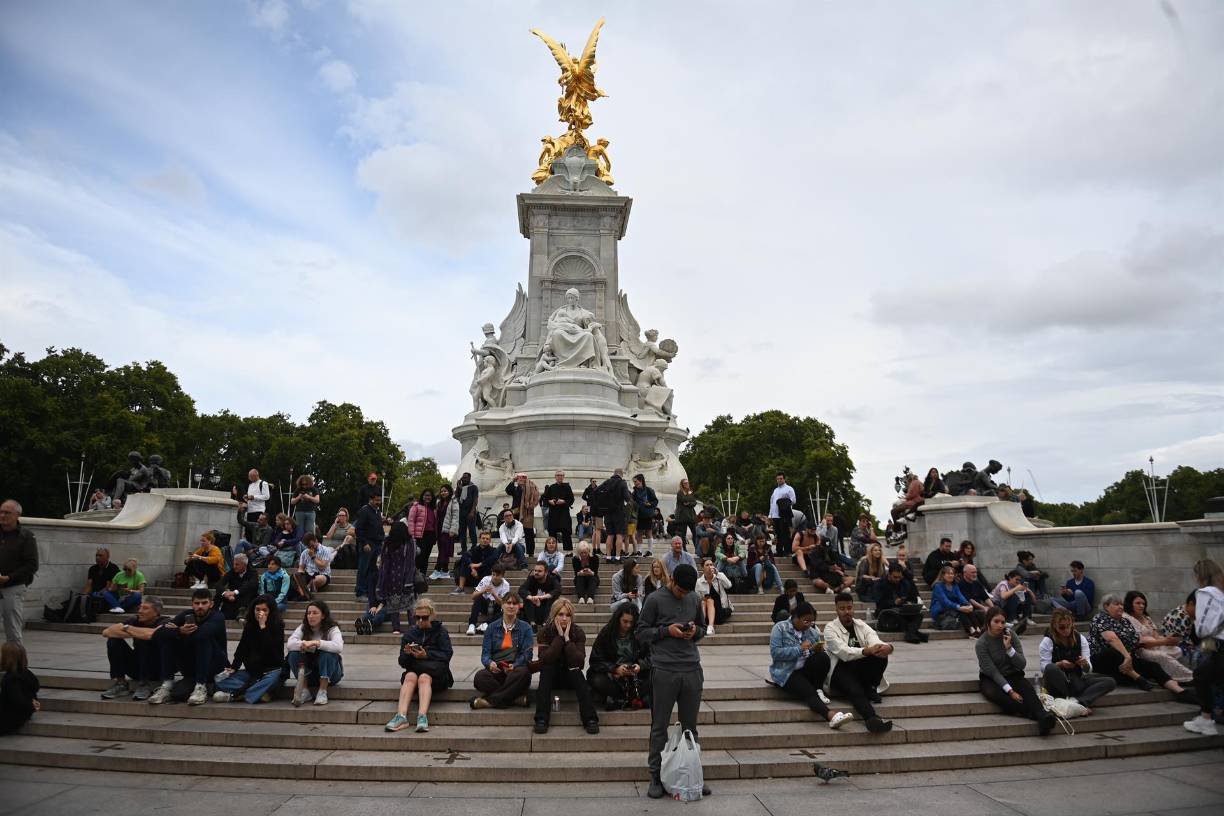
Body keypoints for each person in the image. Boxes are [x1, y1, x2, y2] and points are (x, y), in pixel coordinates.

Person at [637, 563, 709, 799]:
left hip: (691, 668)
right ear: (672, 582)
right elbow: (641, 632)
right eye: (680, 591)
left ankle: (693, 773)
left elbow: (702, 627)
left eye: (687, 592)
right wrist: (667, 631)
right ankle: (656, 775)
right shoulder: (654, 599)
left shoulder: (694, 598)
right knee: (659, 727)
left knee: (691, 728)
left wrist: (693, 632)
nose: (683, 595)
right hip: (664, 669)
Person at [769, 601, 855, 729]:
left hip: (805, 669)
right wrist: (799, 649)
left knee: (823, 658)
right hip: (787, 672)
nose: (809, 625)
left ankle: (818, 687)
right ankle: (831, 716)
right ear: (796, 617)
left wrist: (816, 649)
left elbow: (816, 654)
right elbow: (776, 653)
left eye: (812, 622)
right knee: (808, 691)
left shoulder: (812, 632)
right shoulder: (780, 628)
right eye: (806, 621)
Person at [976, 606, 1056, 734]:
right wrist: (1011, 691)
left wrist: (1009, 649)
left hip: (1012, 673)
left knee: (1027, 689)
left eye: (1002, 622)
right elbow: (993, 671)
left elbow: (1022, 664)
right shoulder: (981, 643)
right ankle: (1037, 715)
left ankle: (1043, 717)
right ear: (988, 623)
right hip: (991, 678)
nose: (1000, 625)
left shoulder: (1011, 635)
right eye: (996, 621)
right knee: (997, 695)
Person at [1090, 593, 1189, 696]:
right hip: (1103, 658)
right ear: (1106, 606)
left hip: (1125, 660)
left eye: (1121, 604)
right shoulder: (1100, 618)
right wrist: (1127, 656)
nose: (1120, 607)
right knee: (1114, 652)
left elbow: (1136, 641)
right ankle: (1138, 678)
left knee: (1152, 666)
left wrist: (1166, 640)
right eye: (1116, 604)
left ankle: (1179, 691)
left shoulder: (1125, 621)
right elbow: (1112, 639)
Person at [823, 592, 894, 733]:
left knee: (880, 655)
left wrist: (886, 647)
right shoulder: (830, 629)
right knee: (855, 690)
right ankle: (871, 719)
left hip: (859, 667)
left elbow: (874, 639)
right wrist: (867, 651)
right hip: (839, 669)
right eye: (842, 609)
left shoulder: (861, 625)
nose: (846, 612)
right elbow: (844, 652)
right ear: (836, 610)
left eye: (849, 608)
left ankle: (870, 686)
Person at [386, 597, 453, 733]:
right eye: (418, 617)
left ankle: (422, 716)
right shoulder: (410, 634)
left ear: (432, 615)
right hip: (415, 673)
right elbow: (402, 662)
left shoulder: (441, 632)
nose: (421, 621)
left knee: (424, 677)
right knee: (410, 676)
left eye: (424, 617)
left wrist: (426, 655)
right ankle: (401, 716)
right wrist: (407, 653)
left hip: (436, 676)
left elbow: (447, 655)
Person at [532, 599, 599, 734]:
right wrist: (560, 638)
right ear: (554, 615)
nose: (564, 618)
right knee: (547, 668)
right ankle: (541, 719)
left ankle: (590, 718)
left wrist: (567, 639)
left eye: (568, 615)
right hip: (551, 677)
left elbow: (579, 662)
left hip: (570, 677)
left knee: (575, 671)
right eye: (560, 614)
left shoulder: (577, 632)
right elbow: (544, 659)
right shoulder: (545, 632)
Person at [150, 588, 227, 706]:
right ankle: (167, 685)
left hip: (214, 664)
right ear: (192, 604)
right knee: (169, 639)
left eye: (204, 603)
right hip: (192, 665)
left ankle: (201, 686)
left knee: (203, 638)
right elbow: (159, 634)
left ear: (211, 604)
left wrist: (178, 632)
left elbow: (204, 634)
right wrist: (179, 631)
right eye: (197, 603)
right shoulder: (186, 615)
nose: (200, 606)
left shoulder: (217, 616)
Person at [1038, 607, 1116, 713]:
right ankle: (1071, 701)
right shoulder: (1047, 641)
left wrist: (1084, 664)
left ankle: (1078, 702)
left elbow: (1088, 669)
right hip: (1057, 683)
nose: (1066, 630)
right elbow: (1044, 668)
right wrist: (1060, 664)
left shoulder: (1080, 639)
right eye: (1061, 627)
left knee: (1110, 682)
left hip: (1076, 681)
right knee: (1051, 668)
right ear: (1054, 626)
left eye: (1068, 626)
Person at [213, 595, 286, 704]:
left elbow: (271, 649)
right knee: (219, 681)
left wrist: (263, 626)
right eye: (257, 609)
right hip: (252, 672)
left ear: (270, 611)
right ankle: (258, 693)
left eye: (264, 610)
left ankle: (235, 695)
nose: (260, 613)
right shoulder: (250, 626)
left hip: (271, 670)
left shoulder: (277, 626)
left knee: (274, 679)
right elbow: (242, 648)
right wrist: (234, 667)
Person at [471, 593, 534, 709]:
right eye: (508, 603)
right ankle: (514, 698)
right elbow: (485, 654)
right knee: (479, 677)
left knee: (523, 673)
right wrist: (490, 663)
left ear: (518, 607)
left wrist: (515, 665)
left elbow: (527, 655)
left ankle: (489, 702)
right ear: (502, 606)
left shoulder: (526, 628)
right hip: (497, 671)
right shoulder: (491, 628)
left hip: (515, 671)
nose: (511, 606)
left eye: (514, 603)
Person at [100, 595, 170, 701]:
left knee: (144, 639)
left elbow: (150, 635)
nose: (140, 611)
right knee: (113, 640)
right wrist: (135, 631)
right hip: (136, 667)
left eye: (145, 608)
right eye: (140, 607)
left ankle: (144, 685)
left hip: (158, 669)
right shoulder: (135, 619)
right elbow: (107, 632)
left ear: (156, 612)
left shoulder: (166, 621)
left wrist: (127, 629)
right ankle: (121, 684)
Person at [1185, 559, 1224, 736]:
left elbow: (1204, 625)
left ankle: (1206, 719)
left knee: (1201, 675)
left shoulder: (1206, 593)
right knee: (1205, 675)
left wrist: (1199, 630)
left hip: (1219, 643)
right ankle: (1206, 717)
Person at [356, 522, 416, 635]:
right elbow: (410, 562)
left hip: (391, 579)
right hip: (404, 578)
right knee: (409, 605)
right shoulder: (408, 542)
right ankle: (412, 625)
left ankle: (395, 628)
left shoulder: (389, 543)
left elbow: (385, 564)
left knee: (393, 605)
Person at [1124, 590, 1194, 684]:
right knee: (1161, 655)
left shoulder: (1146, 617)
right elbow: (1140, 643)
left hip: (1155, 645)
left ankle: (1167, 675)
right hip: (1140, 650)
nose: (1141, 606)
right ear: (1130, 604)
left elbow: (1156, 636)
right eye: (1138, 603)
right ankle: (1189, 678)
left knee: (1177, 650)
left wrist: (1169, 639)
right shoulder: (1126, 618)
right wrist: (1164, 642)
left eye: (1143, 603)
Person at [589, 605, 651, 710]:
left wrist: (640, 666)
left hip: (636, 676)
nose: (628, 625)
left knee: (657, 676)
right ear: (618, 619)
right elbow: (595, 660)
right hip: (613, 676)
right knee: (597, 680)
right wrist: (615, 669)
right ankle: (632, 699)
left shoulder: (639, 633)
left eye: (631, 622)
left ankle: (620, 700)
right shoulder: (606, 633)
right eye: (625, 621)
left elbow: (651, 656)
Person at [288, 600, 344, 706]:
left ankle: (322, 691)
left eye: (315, 613)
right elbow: (290, 644)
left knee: (327, 653)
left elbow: (338, 646)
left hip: (331, 675)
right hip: (310, 674)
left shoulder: (332, 628)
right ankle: (304, 690)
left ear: (323, 615)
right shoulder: (303, 627)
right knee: (293, 654)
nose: (311, 616)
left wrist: (316, 643)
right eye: (308, 613)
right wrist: (305, 644)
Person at [875, 562, 928, 644]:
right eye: (895, 577)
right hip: (887, 610)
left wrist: (910, 603)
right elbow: (879, 602)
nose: (897, 579)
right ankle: (913, 633)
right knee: (897, 615)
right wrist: (893, 602)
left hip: (903, 609)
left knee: (919, 615)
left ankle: (911, 633)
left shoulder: (905, 583)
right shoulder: (880, 583)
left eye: (899, 577)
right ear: (889, 574)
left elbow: (913, 597)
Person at [930, 564, 984, 637]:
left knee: (966, 608)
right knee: (961, 610)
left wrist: (968, 605)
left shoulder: (955, 585)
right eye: (948, 573)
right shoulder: (938, 586)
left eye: (952, 573)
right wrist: (959, 607)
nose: (951, 575)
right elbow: (945, 602)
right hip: (940, 610)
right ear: (943, 575)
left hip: (952, 608)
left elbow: (961, 597)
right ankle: (971, 629)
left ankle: (977, 629)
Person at [0, 643, 39, 734]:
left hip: (10, 719)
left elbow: (19, 701)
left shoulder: (12, 679)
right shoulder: (26, 672)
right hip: (19, 714)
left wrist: (32, 706)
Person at [354, 492, 386, 599]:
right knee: (364, 568)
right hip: (368, 544)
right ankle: (360, 592)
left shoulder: (377, 512)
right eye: (376, 500)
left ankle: (368, 591)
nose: (378, 503)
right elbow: (359, 529)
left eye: (379, 500)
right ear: (370, 500)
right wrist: (364, 543)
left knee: (373, 569)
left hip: (377, 544)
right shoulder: (364, 511)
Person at [466, 564, 511, 636]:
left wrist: (494, 594)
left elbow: (503, 604)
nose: (495, 577)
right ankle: (472, 625)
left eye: (497, 575)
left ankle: (486, 624)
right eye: (493, 574)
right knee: (478, 597)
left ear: (502, 576)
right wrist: (483, 591)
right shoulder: (486, 579)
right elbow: (473, 596)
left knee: (506, 609)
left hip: (496, 607)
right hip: (485, 606)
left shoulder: (506, 585)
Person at [598, 469, 633, 562]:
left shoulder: (607, 482)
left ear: (614, 474)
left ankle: (608, 557)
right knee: (619, 535)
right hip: (619, 512)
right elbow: (627, 497)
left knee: (610, 535)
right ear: (621, 475)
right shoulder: (622, 483)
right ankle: (617, 557)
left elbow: (597, 491)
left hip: (607, 513)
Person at [453, 530, 499, 595]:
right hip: (473, 575)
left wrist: (479, 564)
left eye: (487, 539)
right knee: (464, 562)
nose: (485, 540)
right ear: (479, 539)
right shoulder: (474, 549)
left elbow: (493, 558)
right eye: (483, 538)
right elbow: (465, 556)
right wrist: (472, 567)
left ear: (490, 540)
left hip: (486, 576)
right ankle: (461, 588)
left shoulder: (493, 550)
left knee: (494, 564)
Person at [519, 562, 562, 630]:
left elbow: (558, 590)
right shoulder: (531, 579)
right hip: (533, 610)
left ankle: (545, 625)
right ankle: (533, 625)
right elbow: (521, 590)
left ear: (546, 572)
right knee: (527, 598)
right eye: (535, 570)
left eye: (539, 571)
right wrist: (532, 598)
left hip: (547, 610)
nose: (536, 573)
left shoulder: (552, 579)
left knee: (553, 598)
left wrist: (541, 597)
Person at [213, 553, 257, 620]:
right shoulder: (232, 571)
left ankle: (242, 612)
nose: (234, 566)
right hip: (231, 598)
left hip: (244, 598)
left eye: (237, 564)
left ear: (244, 565)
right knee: (219, 593)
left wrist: (235, 592)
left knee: (249, 590)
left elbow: (252, 585)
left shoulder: (252, 572)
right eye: (234, 564)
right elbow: (219, 584)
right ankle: (213, 613)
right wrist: (225, 593)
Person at [695, 558, 733, 635]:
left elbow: (729, 585)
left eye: (711, 564)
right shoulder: (698, 582)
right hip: (705, 611)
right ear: (703, 568)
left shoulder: (719, 577)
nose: (710, 567)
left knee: (709, 600)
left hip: (720, 610)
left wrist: (718, 574)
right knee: (705, 601)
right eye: (707, 565)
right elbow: (697, 599)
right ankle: (706, 625)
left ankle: (709, 626)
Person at [293, 533, 335, 600]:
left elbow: (322, 566)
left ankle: (304, 590)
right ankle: (307, 590)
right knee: (296, 576)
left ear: (316, 540)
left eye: (312, 545)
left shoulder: (325, 550)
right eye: (308, 546)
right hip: (308, 574)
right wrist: (300, 575)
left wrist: (313, 557)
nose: (311, 548)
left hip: (322, 574)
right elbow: (301, 568)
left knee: (317, 579)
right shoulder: (304, 553)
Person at [407, 489, 438, 576]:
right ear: (422, 496)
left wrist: (435, 536)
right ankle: (414, 575)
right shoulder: (416, 506)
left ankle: (423, 575)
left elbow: (435, 523)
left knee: (426, 556)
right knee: (419, 556)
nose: (427, 497)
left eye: (429, 495)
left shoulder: (434, 509)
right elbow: (411, 521)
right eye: (426, 495)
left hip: (430, 535)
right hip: (420, 535)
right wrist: (411, 535)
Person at [543, 471, 575, 553]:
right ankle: (552, 551)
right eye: (558, 475)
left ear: (563, 477)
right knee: (552, 532)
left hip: (564, 513)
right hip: (553, 513)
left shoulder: (567, 487)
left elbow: (571, 499)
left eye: (561, 475)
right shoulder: (551, 487)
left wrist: (563, 501)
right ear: (555, 477)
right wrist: (550, 501)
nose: (559, 477)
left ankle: (569, 552)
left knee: (566, 532)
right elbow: (545, 499)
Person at [432, 484, 458, 580]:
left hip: (447, 530)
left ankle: (438, 570)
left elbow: (455, 516)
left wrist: (453, 530)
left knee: (444, 550)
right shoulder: (439, 502)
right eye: (442, 491)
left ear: (450, 491)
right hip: (439, 529)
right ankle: (445, 570)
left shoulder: (453, 502)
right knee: (442, 550)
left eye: (445, 491)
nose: (443, 492)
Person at [769, 473, 797, 556]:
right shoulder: (775, 490)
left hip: (784, 515)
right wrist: (770, 515)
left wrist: (785, 503)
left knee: (785, 533)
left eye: (781, 478)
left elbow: (793, 500)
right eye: (778, 479)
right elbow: (772, 503)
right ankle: (779, 551)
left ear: (784, 479)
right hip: (775, 515)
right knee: (778, 534)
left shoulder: (789, 489)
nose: (779, 480)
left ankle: (787, 551)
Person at [631, 474, 657, 555]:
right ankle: (639, 550)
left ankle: (650, 551)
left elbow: (655, 501)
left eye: (636, 481)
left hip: (647, 514)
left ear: (641, 480)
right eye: (634, 482)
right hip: (638, 515)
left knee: (649, 532)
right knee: (639, 533)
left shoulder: (649, 490)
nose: (635, 483)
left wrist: (650, 504)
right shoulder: (634, 492)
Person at [455, 472, 481, 553]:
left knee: (472, 530)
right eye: (463, 477)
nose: (464, 479)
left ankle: (474, 547)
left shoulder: (474, 487)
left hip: (470, 511)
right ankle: (464, 549)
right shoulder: (460, 487)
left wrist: (472, 511)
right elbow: (456, 497)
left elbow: (475, 500)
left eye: (466, 477)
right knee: (462, 531)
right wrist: (458, 487)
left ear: (469, 478)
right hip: (461, 511)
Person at [572, 540, 602, 605]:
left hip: (592, 578)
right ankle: (581, 597)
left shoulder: (595, 558)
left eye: (585, 552)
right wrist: (581, 572)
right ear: (578, 552)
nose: (583, 554)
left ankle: (590, 597)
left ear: (589, 551)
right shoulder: (575, 559)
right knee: (580, 577)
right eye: (581, 553)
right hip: (580, 579)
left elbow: (595, 572)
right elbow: (576, 573)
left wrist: (590, 572)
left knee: (592, 578)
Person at [674, 479, 699, 551]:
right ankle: (684, 549)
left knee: (694, 532)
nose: (687, 484)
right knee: (683, 534)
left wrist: (688, 503)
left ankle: (697, 548)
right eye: (685, 483)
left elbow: (694, 502)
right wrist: (689, 500)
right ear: (682, 484)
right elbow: (683, 500)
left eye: (687, 483)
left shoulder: (690, 491)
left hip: (691, 516)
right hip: (683, 516)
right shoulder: (680, 492)